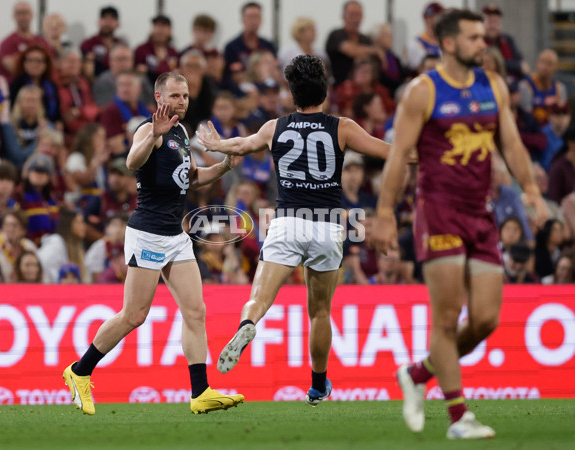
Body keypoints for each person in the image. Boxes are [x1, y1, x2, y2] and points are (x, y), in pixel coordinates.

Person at [372, 9, 548, 439]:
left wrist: (531, 191)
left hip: (481, 213)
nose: (482, 43)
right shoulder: (422, 92)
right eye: (472, 38)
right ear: (448, 43)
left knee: (486, 319)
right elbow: (398, 157)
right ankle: (458, 417)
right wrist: (383, 213)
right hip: (439, 212)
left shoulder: (494, 86)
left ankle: (417, 373)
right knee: (447, 319)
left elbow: (511, 143)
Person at [196, 54, 389, 405]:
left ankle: (247, 325)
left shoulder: (275, 127)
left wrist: (215, 145)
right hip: (328, 226)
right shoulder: (341, 126)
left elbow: (241, 145)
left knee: (259, 297)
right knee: (319, 312)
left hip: (285, 222)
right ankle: (318, 386)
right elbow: (386, 151)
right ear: (325, 92)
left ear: (291, 93)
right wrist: (426, 152)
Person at [62, 71, 245, 415]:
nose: (181, 102)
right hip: (147, 233)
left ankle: (200, 391)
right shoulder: (151, 129)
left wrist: (224, 165)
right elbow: (132, 162)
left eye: (186, 96)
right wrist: (152, 137)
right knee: (134, 315)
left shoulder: (181, 132)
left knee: (195, 311)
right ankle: (79, 371)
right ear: (159, 98)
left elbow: (189, 178)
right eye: (175, 96)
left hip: (175, 236)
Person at [325, 1, 377, 87]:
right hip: (340, 89)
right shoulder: (336, 35)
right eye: (352, 14)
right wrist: (372, 50)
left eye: (358, 15)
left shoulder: (366, 39)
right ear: (344, 17)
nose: (356, 19)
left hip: (363, 88)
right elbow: (352, 51)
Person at [406, 2, 444, 71]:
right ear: (428, 19)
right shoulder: (415, 45)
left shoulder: (444, 42)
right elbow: (421, 71)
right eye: (439, 16)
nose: (443, 21)